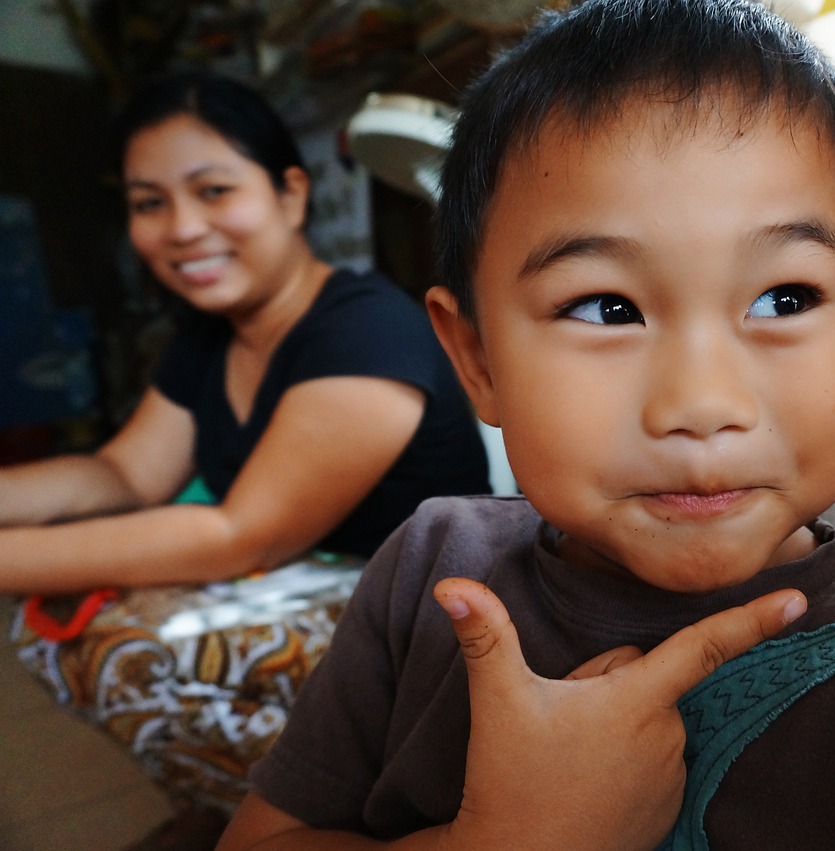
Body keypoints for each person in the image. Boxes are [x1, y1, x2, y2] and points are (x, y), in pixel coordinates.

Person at [219, 1, 835, 848]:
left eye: (783, 298)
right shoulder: (428, 576)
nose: (703, 404)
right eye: (605, 307)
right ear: (477, 360)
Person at [1, 71, 491, 822]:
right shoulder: (209, 336)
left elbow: (242, 532)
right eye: (149, 203)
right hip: (301, 584)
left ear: (291, 196)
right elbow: (124, 472)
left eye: (214, 191)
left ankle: (329, 821)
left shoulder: (364, 327)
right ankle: (241, 806)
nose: (183, 227)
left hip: (419, 612)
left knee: (133, 646)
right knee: (53, 616)